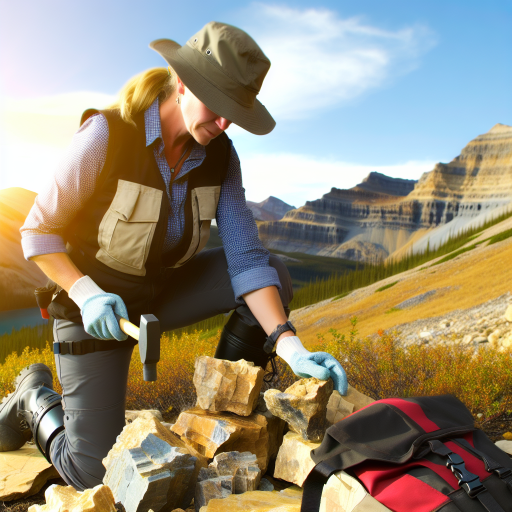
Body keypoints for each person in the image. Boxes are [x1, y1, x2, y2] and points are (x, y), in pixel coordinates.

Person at [0, 21, 347, 491]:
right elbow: (38, 231)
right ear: (180, 82)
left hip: (159, 298)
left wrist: (291, 346)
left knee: (274, 275)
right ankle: (31, 398)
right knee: (91, 472)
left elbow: (245, 258)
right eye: (218, 106)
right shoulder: (107, 134)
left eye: (235, 113)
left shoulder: (222, 157)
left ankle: (220, 416)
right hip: (92, 310)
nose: (224, 123)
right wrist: (86, 295)